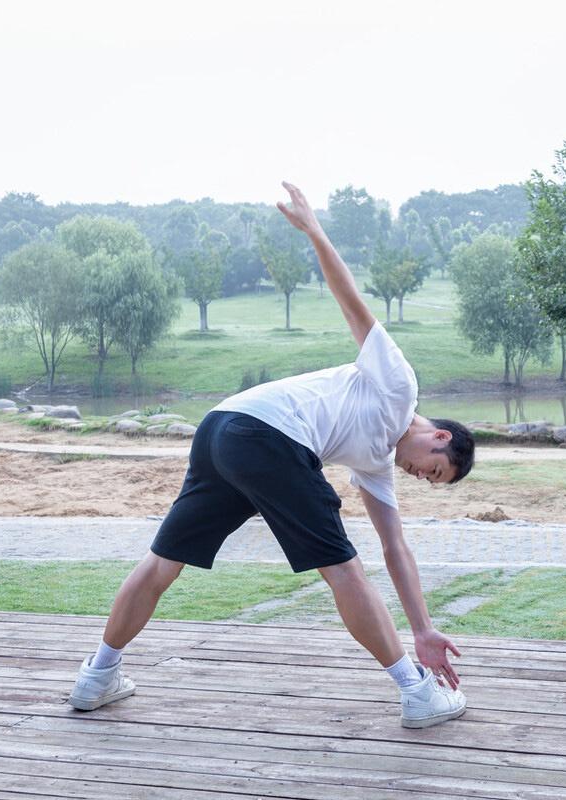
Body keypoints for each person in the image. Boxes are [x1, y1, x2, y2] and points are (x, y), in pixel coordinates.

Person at [69, 182, 476, 729]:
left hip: (221, 431)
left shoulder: (375, 464)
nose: (420, 474)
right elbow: (351, 304)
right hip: (267, 437)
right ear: (442, 437)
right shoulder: (399, 386)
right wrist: (315, 230)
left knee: (165, 560)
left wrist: (424, 627)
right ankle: (417, 693)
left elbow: (395, 546)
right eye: (433, 469)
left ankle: (97, 676)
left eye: (429, 481)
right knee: (343, 570)